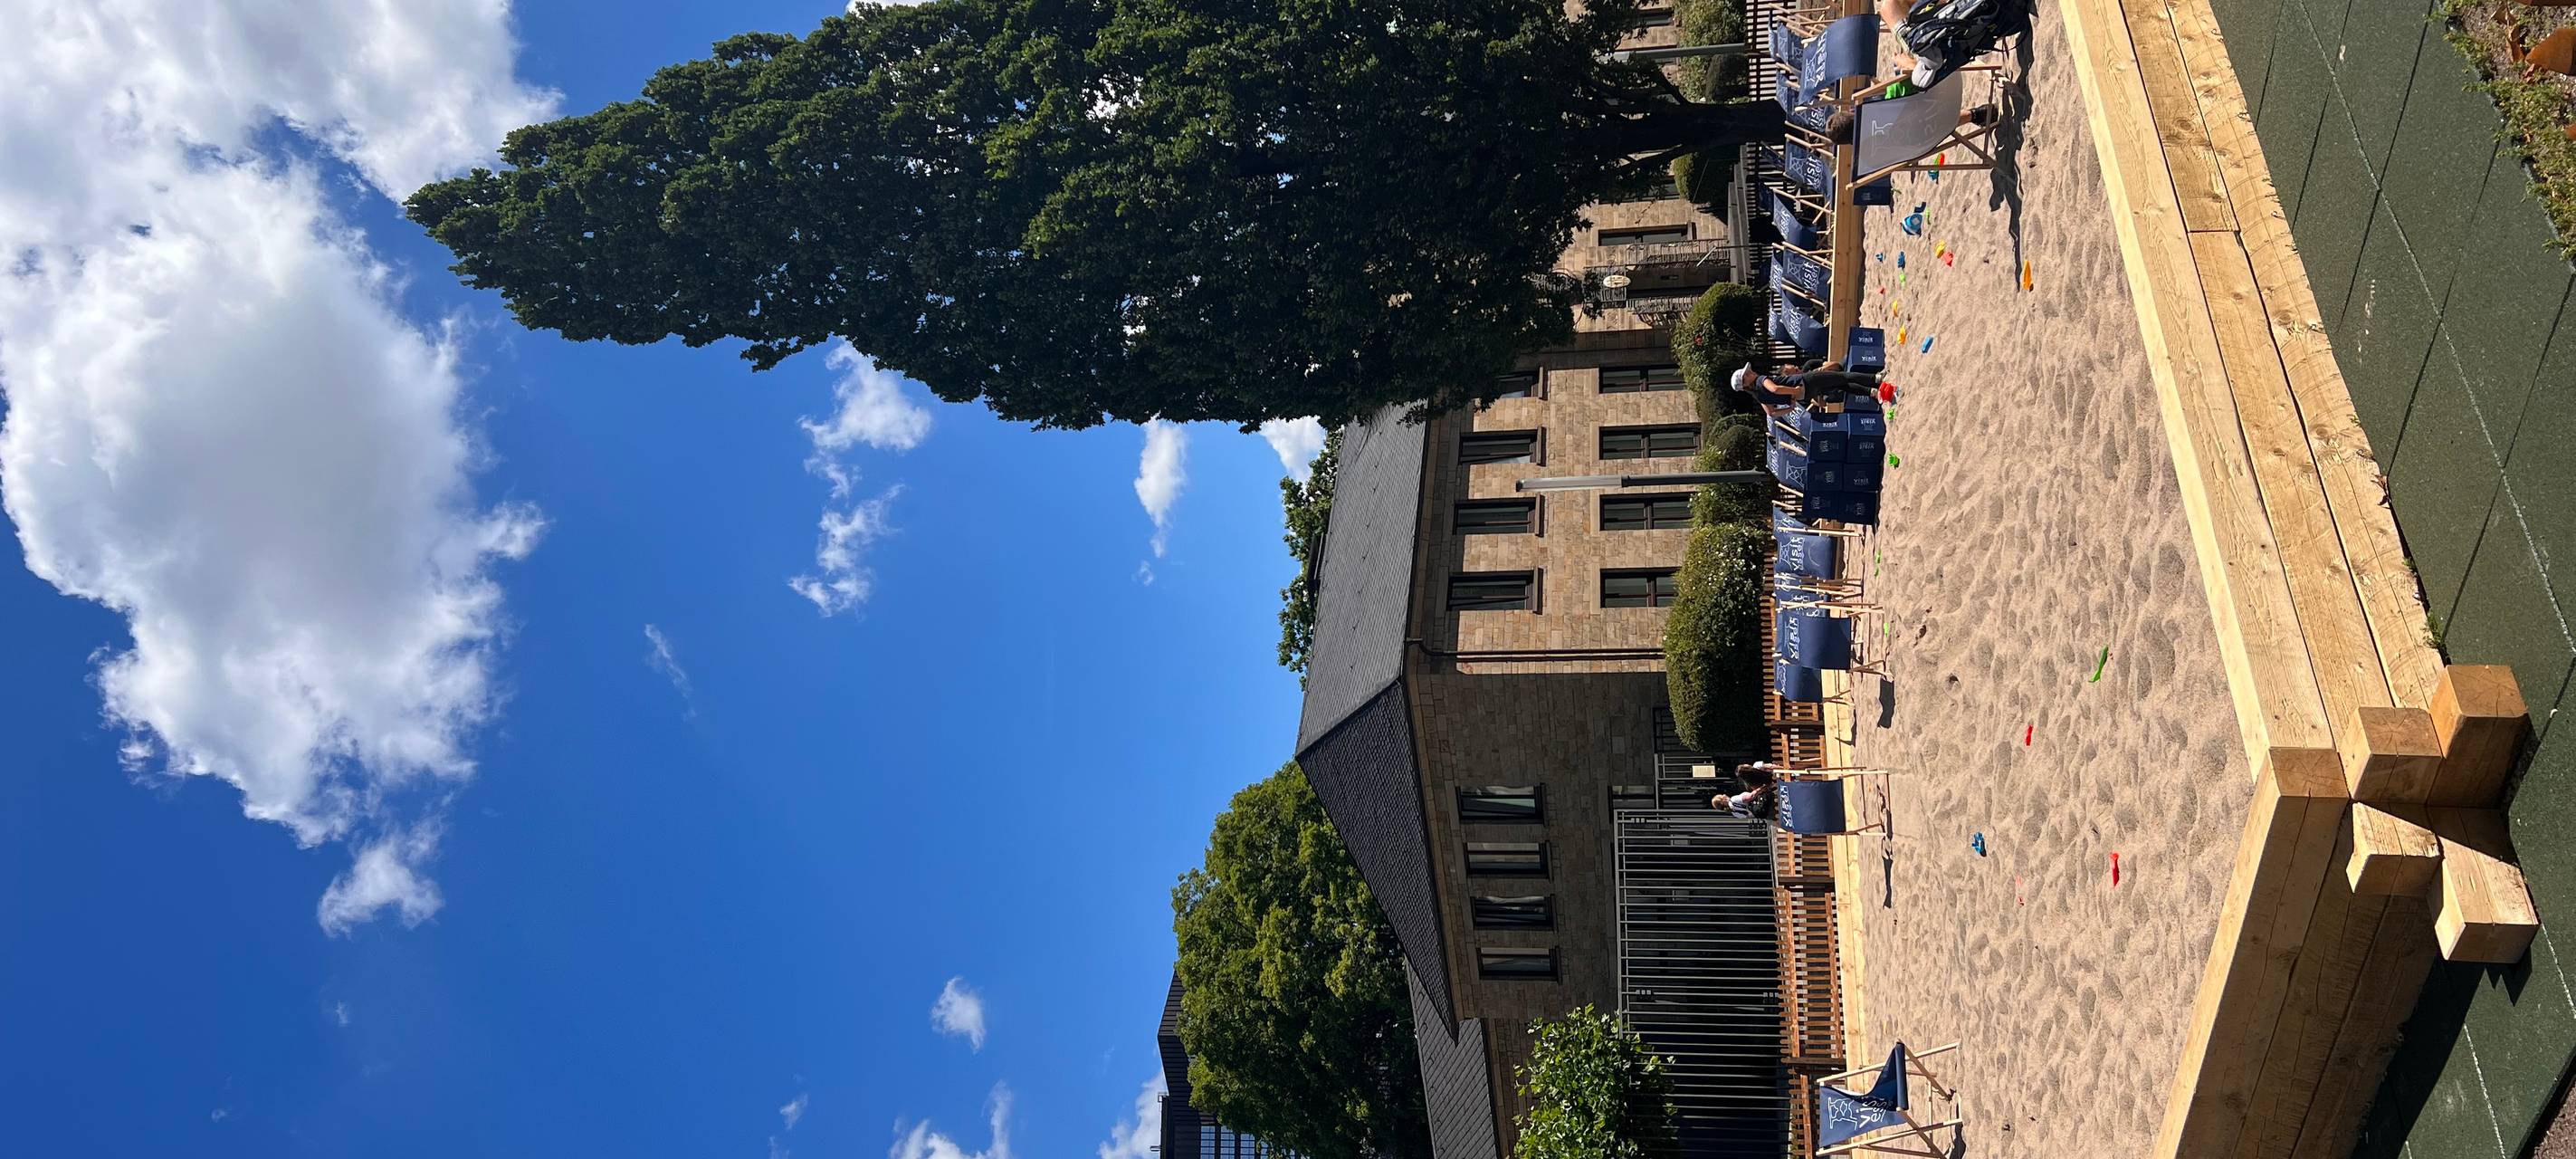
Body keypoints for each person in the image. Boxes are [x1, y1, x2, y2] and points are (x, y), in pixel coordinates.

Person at [1731, 360, 1882, 417]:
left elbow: (1771, 413)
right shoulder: (1760, 380)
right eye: (1747, 374)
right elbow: (1775, 389)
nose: (1751, 372)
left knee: (1841, 385)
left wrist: (1790, 408)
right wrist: (1793, 391)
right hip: (1804, 383)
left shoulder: (1758, 396)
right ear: (1745, 383)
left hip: (1806, 395)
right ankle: (1875, 379)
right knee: (1843, 377)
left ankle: (1872, 392)